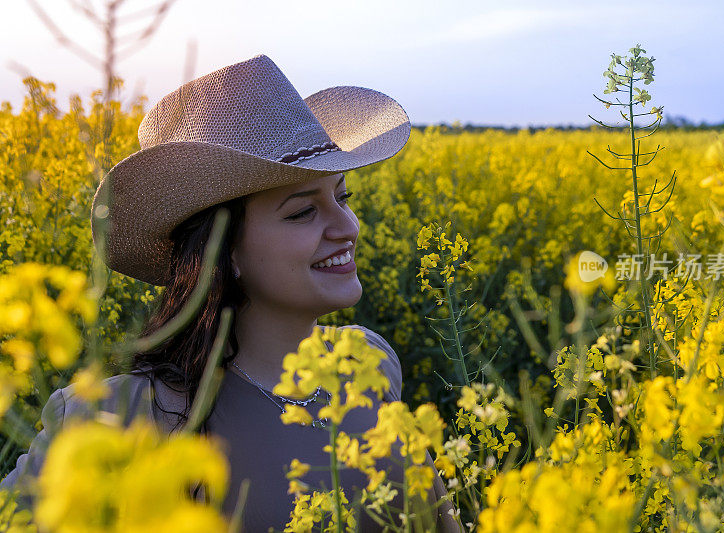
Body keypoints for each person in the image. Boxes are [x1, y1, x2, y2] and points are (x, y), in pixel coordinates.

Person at [0, 54, 460, 532]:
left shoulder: (369, 361)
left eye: (342, 197)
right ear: (226, 251)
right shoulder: (123, 415)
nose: (346, 227)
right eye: (302, 212)